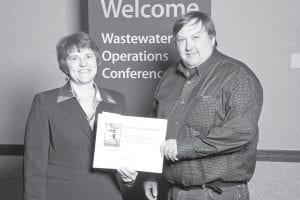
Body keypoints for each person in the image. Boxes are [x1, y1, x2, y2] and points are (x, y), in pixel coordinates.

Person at [143, 11, 263, 200]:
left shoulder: (238, 76)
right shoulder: (168, 77)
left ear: (212, 38)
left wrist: (182, 147)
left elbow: (239, 132)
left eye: (195, 37)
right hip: (174, 192)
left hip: (217, 194)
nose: (189, 46)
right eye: (181, 40)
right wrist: (151, 174)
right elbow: (155, 128)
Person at [24, 32, 137, 200]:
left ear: (96, 60)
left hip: (107, 193)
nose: (83, 63)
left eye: (88, 56)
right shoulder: (45, 102)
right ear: (65, 65)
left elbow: (123, 155)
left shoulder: (117, 100)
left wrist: (129, 178)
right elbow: (34, 164)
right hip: (62, 194)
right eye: (74, 58)